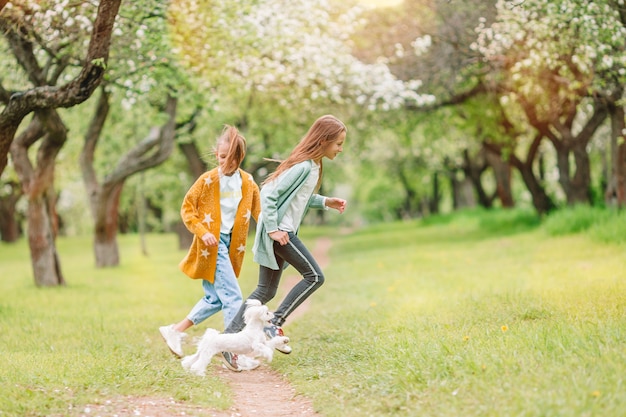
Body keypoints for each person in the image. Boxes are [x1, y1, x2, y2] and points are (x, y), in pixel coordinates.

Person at [220, 114, 347, 371]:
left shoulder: (311, 166)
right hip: (282, 234)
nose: (340, 149)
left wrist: (326, 202)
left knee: (264, 291)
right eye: (338, 143)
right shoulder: (303, 166)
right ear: (323, 141)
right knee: (314, 277)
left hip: (280, 232)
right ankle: (274, 323)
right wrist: (275, 229)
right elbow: (268, 194)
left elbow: (297, 198)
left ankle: (226, 342)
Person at [159, 125, 260, 360]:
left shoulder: (247, 182)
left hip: (232, 245)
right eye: (223, 157)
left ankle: (174, 330)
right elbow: (187, 209)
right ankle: (231, 351)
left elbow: (259, 211)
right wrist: (202, 231)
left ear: (240, 158)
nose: (227, 163)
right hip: (211, 246)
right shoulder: (207, 181)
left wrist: (273, 233)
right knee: (233, 296)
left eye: (233, 159)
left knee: (215, 298)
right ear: (217, 154)